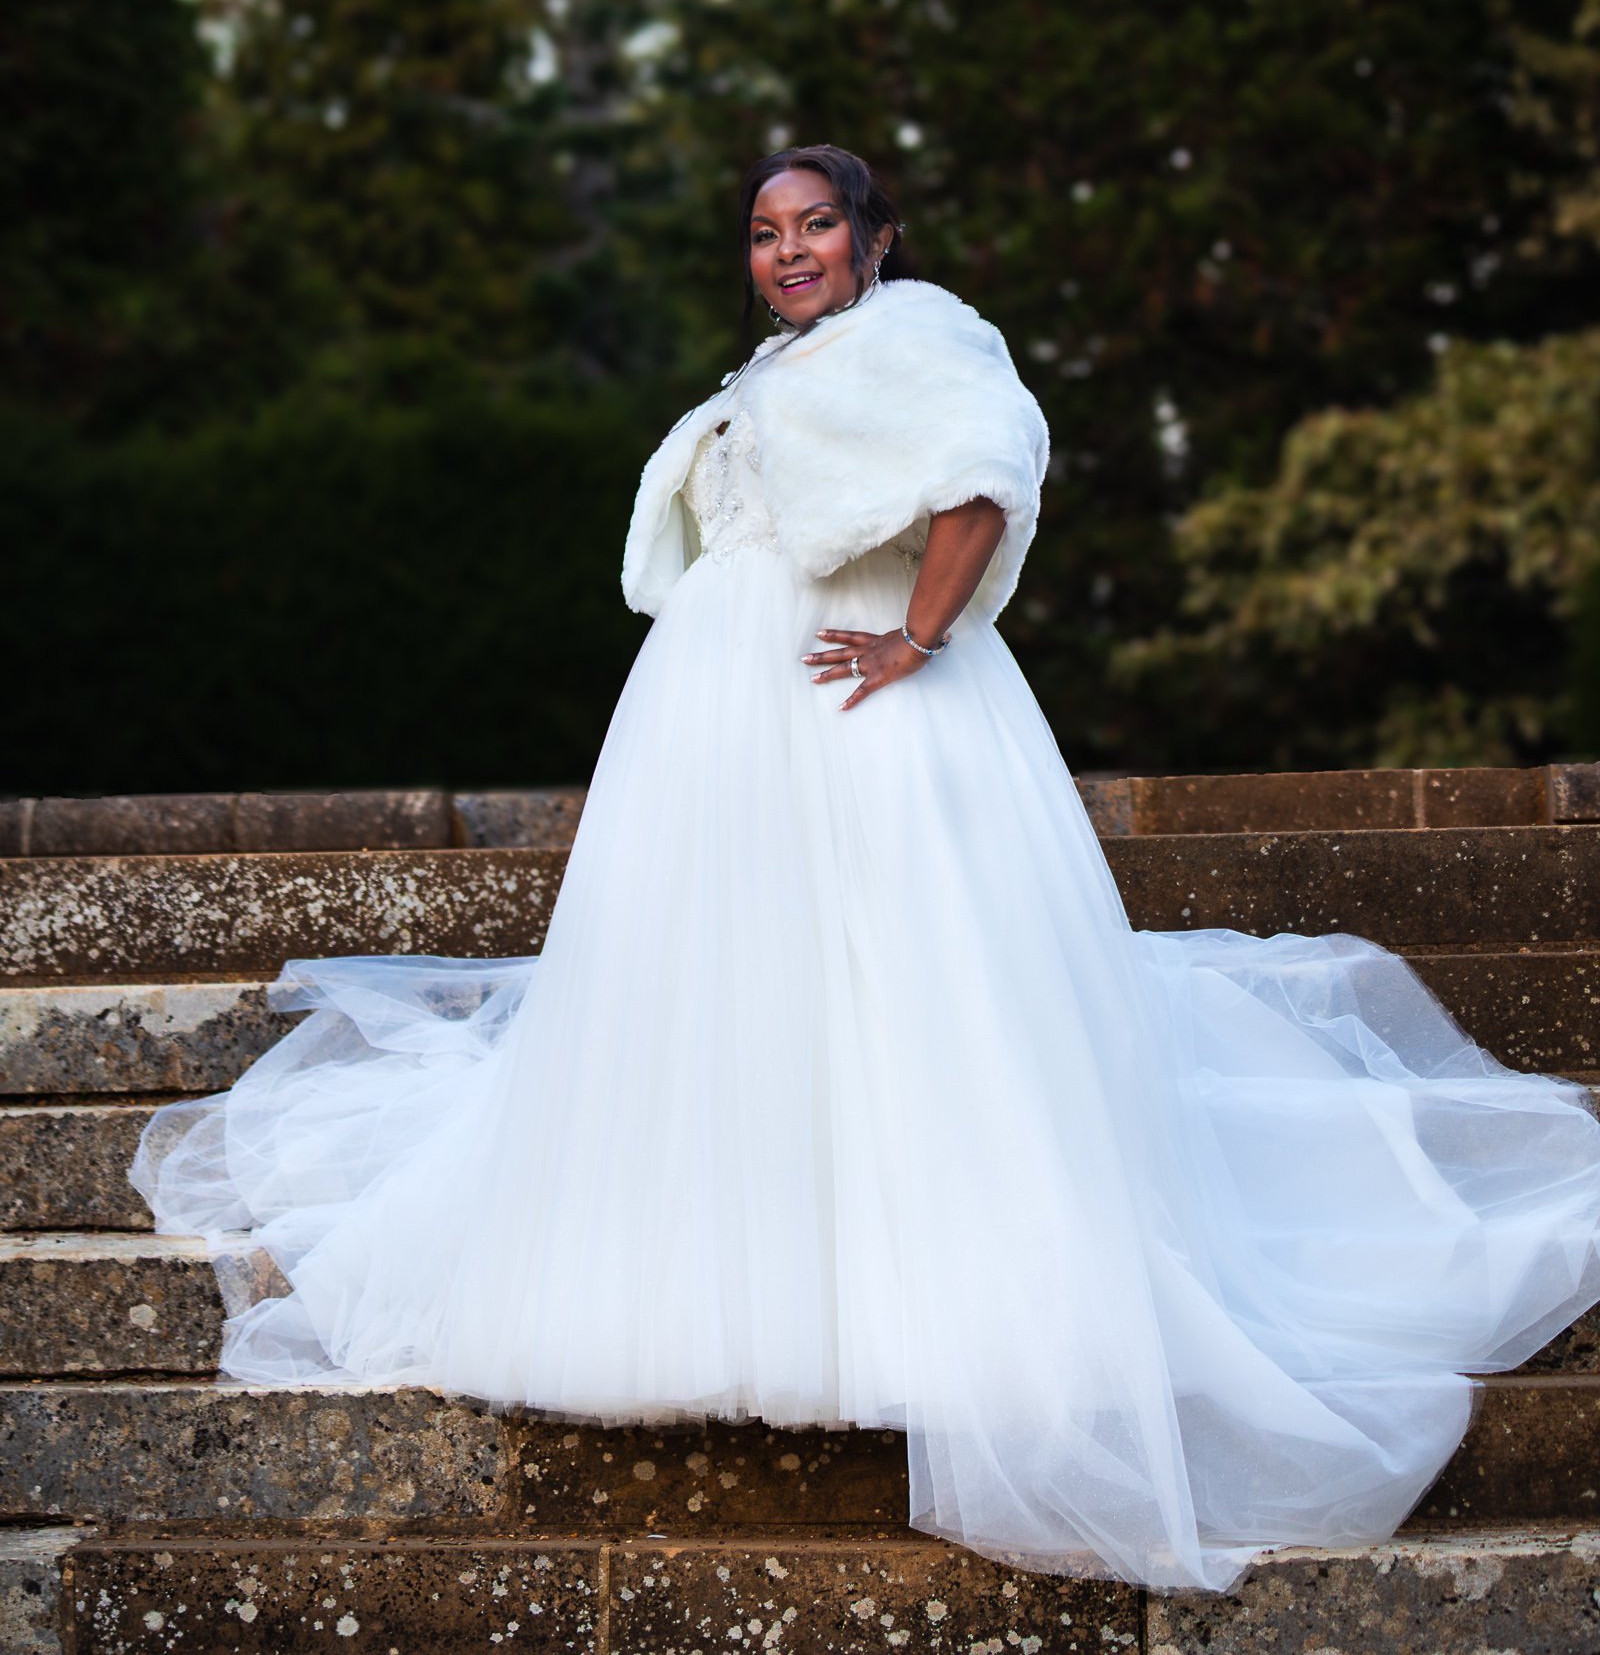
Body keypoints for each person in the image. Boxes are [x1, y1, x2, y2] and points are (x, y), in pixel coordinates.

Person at [131, 142, 1600, 1597]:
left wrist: (920, 637)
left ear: (875, 235)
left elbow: (986, 480)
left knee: (907, 984)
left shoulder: (921, 332)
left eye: (815, 225)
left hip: (863, 704)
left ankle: (928, 1312)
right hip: (725, 719)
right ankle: (714, 1299)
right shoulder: (779, 366)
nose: (787, 252)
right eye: (764, 231)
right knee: (728, 995)